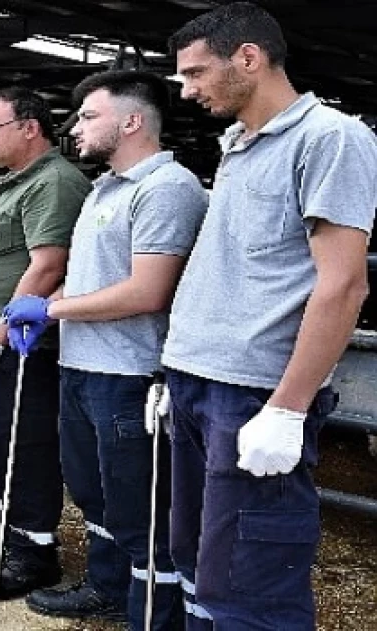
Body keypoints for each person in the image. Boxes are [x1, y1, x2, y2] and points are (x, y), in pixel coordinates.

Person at [164, 4, 377, 629]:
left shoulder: (330, 138)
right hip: (197, 381)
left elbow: (343, 284)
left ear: (249, 59)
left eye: (196, 73)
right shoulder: (237, 146)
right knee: (199, 565)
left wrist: (287, 408)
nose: (187, 88)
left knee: (248, 585)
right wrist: (178, 366)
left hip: (252, 393)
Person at [1, 70, 207, 629]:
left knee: (139, 505)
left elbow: (148, 290)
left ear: (132, 121)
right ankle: (110, 586)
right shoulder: (102, 189)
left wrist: (50, 310)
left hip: (131, 375)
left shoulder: (166, 189)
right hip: (81, 366)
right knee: (94, 492)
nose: (76, 127)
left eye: (89, 116)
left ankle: (154, 615)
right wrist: (47, 310)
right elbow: (89, 278)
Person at [0, 87, 90, 600]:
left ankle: (35, 555)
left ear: (29, 128)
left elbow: (50, 265)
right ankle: (5, 537)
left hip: (27, 346)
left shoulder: (53, 182)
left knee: (25, 447)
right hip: (3, 342)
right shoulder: (18, 183)